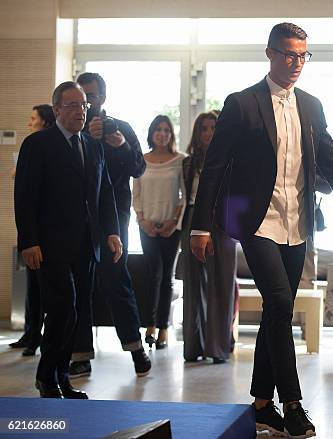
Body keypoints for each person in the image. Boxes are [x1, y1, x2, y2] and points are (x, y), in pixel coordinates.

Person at [190, 22, 333, 438]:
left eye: (303, 55)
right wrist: (200, 227)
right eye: (289, 54)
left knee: (277, 311)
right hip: (256, 223)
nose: (296, 63)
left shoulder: (310, 105)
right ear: (270, 53)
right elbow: (215, 167)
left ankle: (260, 403)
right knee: (279, 304)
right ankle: (292, 403)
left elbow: (329, 163)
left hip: (298, 222)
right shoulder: (242, 104)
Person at [14, 81, 122, 398]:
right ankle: (47, 376)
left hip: (86, 244)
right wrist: (28, 241)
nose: (80, 111)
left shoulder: (93, 145)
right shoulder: (38, 144)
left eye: (84, 105)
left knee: (75, 312)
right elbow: (25, 196)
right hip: (49, 245)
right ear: (58, 109)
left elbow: (104, 196)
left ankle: (60, 376)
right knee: (62, 309)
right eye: (73, 105)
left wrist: (113, 232)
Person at [68, 72, 151, 379]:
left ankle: (135, 347)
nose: (87, 102)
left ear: (103, 97)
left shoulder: (122, 128)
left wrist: (119, 144)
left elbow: (139, 168)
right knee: (80, 285)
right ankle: (81, 354)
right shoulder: (72, 130)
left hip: (114, 218)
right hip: (78, 219)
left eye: (91, 96)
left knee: (118, 281)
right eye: (81, 96)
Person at [180, 111, 237, 363]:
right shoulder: (187, 163)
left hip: (224, 221)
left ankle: (218, 346)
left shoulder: (234, 160)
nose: (209, 133)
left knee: (222, 284)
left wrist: (235, 228)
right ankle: (193, 346)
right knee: (192, 285)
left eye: (214, 127)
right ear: (197, 133)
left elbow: (238, 197)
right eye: (204, 128)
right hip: (193, 219)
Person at [133, 115, 186, 350]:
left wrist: (173, 221)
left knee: (167, 279)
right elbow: (135, 194)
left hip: (171, 228)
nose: (162, 133)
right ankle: (150, 325)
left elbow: (185, 196)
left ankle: (164, 328)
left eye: (166, 130)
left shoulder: (181, 161)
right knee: (152, 276)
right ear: (152, 133)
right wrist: (141, 219)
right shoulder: (141, 161)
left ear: (171, 134)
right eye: (158, 129)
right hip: (147, 226)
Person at [10, 104, 55, 356]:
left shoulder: (41, 146)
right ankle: (30, 333)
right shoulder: (33, 144)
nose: (30, 123)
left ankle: (36, 335)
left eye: (33, 119)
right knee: (31, 285)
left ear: (45, 122)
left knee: (40, 286)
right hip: (31, 228)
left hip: (45, 229)